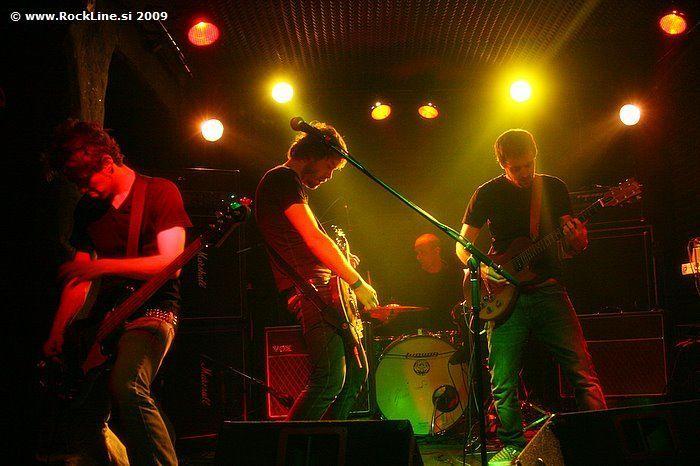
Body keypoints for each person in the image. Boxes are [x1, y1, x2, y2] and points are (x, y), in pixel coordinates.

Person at [41, 120, 191, 465]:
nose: (83, 190)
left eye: (86, 180)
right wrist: (58, 330)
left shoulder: (160, 191)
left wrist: (104, 266)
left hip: (153, 312)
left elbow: (172, 263)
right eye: (76, 184)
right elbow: (79, 279)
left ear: (107, 163)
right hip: (105, 322)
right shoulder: (87, 210)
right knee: (86, 418)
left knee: (127, 384)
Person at [455, 129, 606, 464]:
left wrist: (578, 237)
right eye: (516, 168)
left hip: (549, 290)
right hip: (505, 297)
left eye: (529, 165)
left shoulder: (553, 187)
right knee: (502, 380)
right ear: (502, 164)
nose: (524, 173)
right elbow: (461, 245)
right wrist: (483, 269)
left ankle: (602, 438)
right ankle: (512, 445)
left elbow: (573, 245)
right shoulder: (487, 193)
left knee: (582, 372)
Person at [255, 122, 379, 421]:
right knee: (328, 380)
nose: (329, 176)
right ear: (312, 154)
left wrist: (343, 262)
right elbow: (313, 238)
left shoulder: (288, 183)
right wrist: (356, 282)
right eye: (330, 166)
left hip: (321, 290)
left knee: (355, 373)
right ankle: (292, 446)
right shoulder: (282, 178)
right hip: (311, 290)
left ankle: (327, 441)